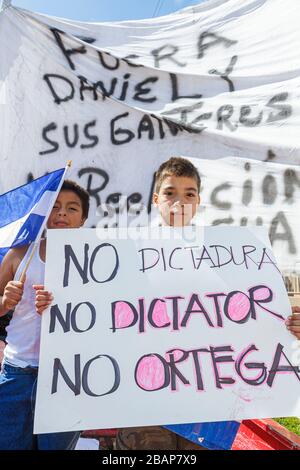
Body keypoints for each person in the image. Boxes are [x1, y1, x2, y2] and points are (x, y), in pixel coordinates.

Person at [116, 156, 300, 450]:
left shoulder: (230, 255)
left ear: (199, 200)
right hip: (146, 405)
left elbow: (250, 315)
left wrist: (286, 326)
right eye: (169, 192)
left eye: (189, 193)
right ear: (155, 198)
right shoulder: (123, 253)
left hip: (209, 407)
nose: (179, 201)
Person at [0, 180, 90, 450]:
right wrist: (5, 302)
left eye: (72, 208)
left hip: (68, 376)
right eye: (56, 207)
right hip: (17, 374)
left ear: (83, 219)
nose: (62, 213)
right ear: (45, 213)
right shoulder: (20, 254)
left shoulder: (96, 260)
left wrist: (62, 307)